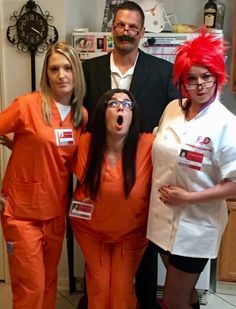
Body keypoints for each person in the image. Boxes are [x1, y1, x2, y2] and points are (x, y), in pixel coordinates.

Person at [82, 2, 179, 307]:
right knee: (98, 263)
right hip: (99, 179)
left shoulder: (164, 72)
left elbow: (174, 120)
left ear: (142, 32)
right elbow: (78, 119)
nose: (126, 32)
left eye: (133, 27)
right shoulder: (89, 69)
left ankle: (146, 303)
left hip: (143, 179)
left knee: (144, 254)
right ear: (112, 29)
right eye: (121, 25)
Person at [147, 29, 236, 309]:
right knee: (183, 296)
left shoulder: (225, 123)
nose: (200, 85)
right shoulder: (172, 108)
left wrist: (188, 198)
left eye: (206, 76)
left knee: (172, 302)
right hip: (161, 220)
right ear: (182, 80)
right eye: (192, 78)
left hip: (195, 226)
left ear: (217, 76)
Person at [0, 41, 87, 309]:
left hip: (55, 214)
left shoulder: (80, 116)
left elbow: (67, 160)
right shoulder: (26, 105)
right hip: (21, 213)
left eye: (67, 68)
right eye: (54, 69)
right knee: (31, 290)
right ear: (46, 75)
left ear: (76, 73)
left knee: (48, 285)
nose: (61, 75)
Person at [70, 88, 154, 309]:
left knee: (120, 291)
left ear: (132, 116)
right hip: (90, 229)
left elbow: (180, 152)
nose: (121, 108)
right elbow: (49, 153)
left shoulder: (148, 144)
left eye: (127, 105)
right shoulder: (85, 143)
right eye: (113, 103)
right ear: (102, 112)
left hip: (131, 233)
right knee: (99, 288)